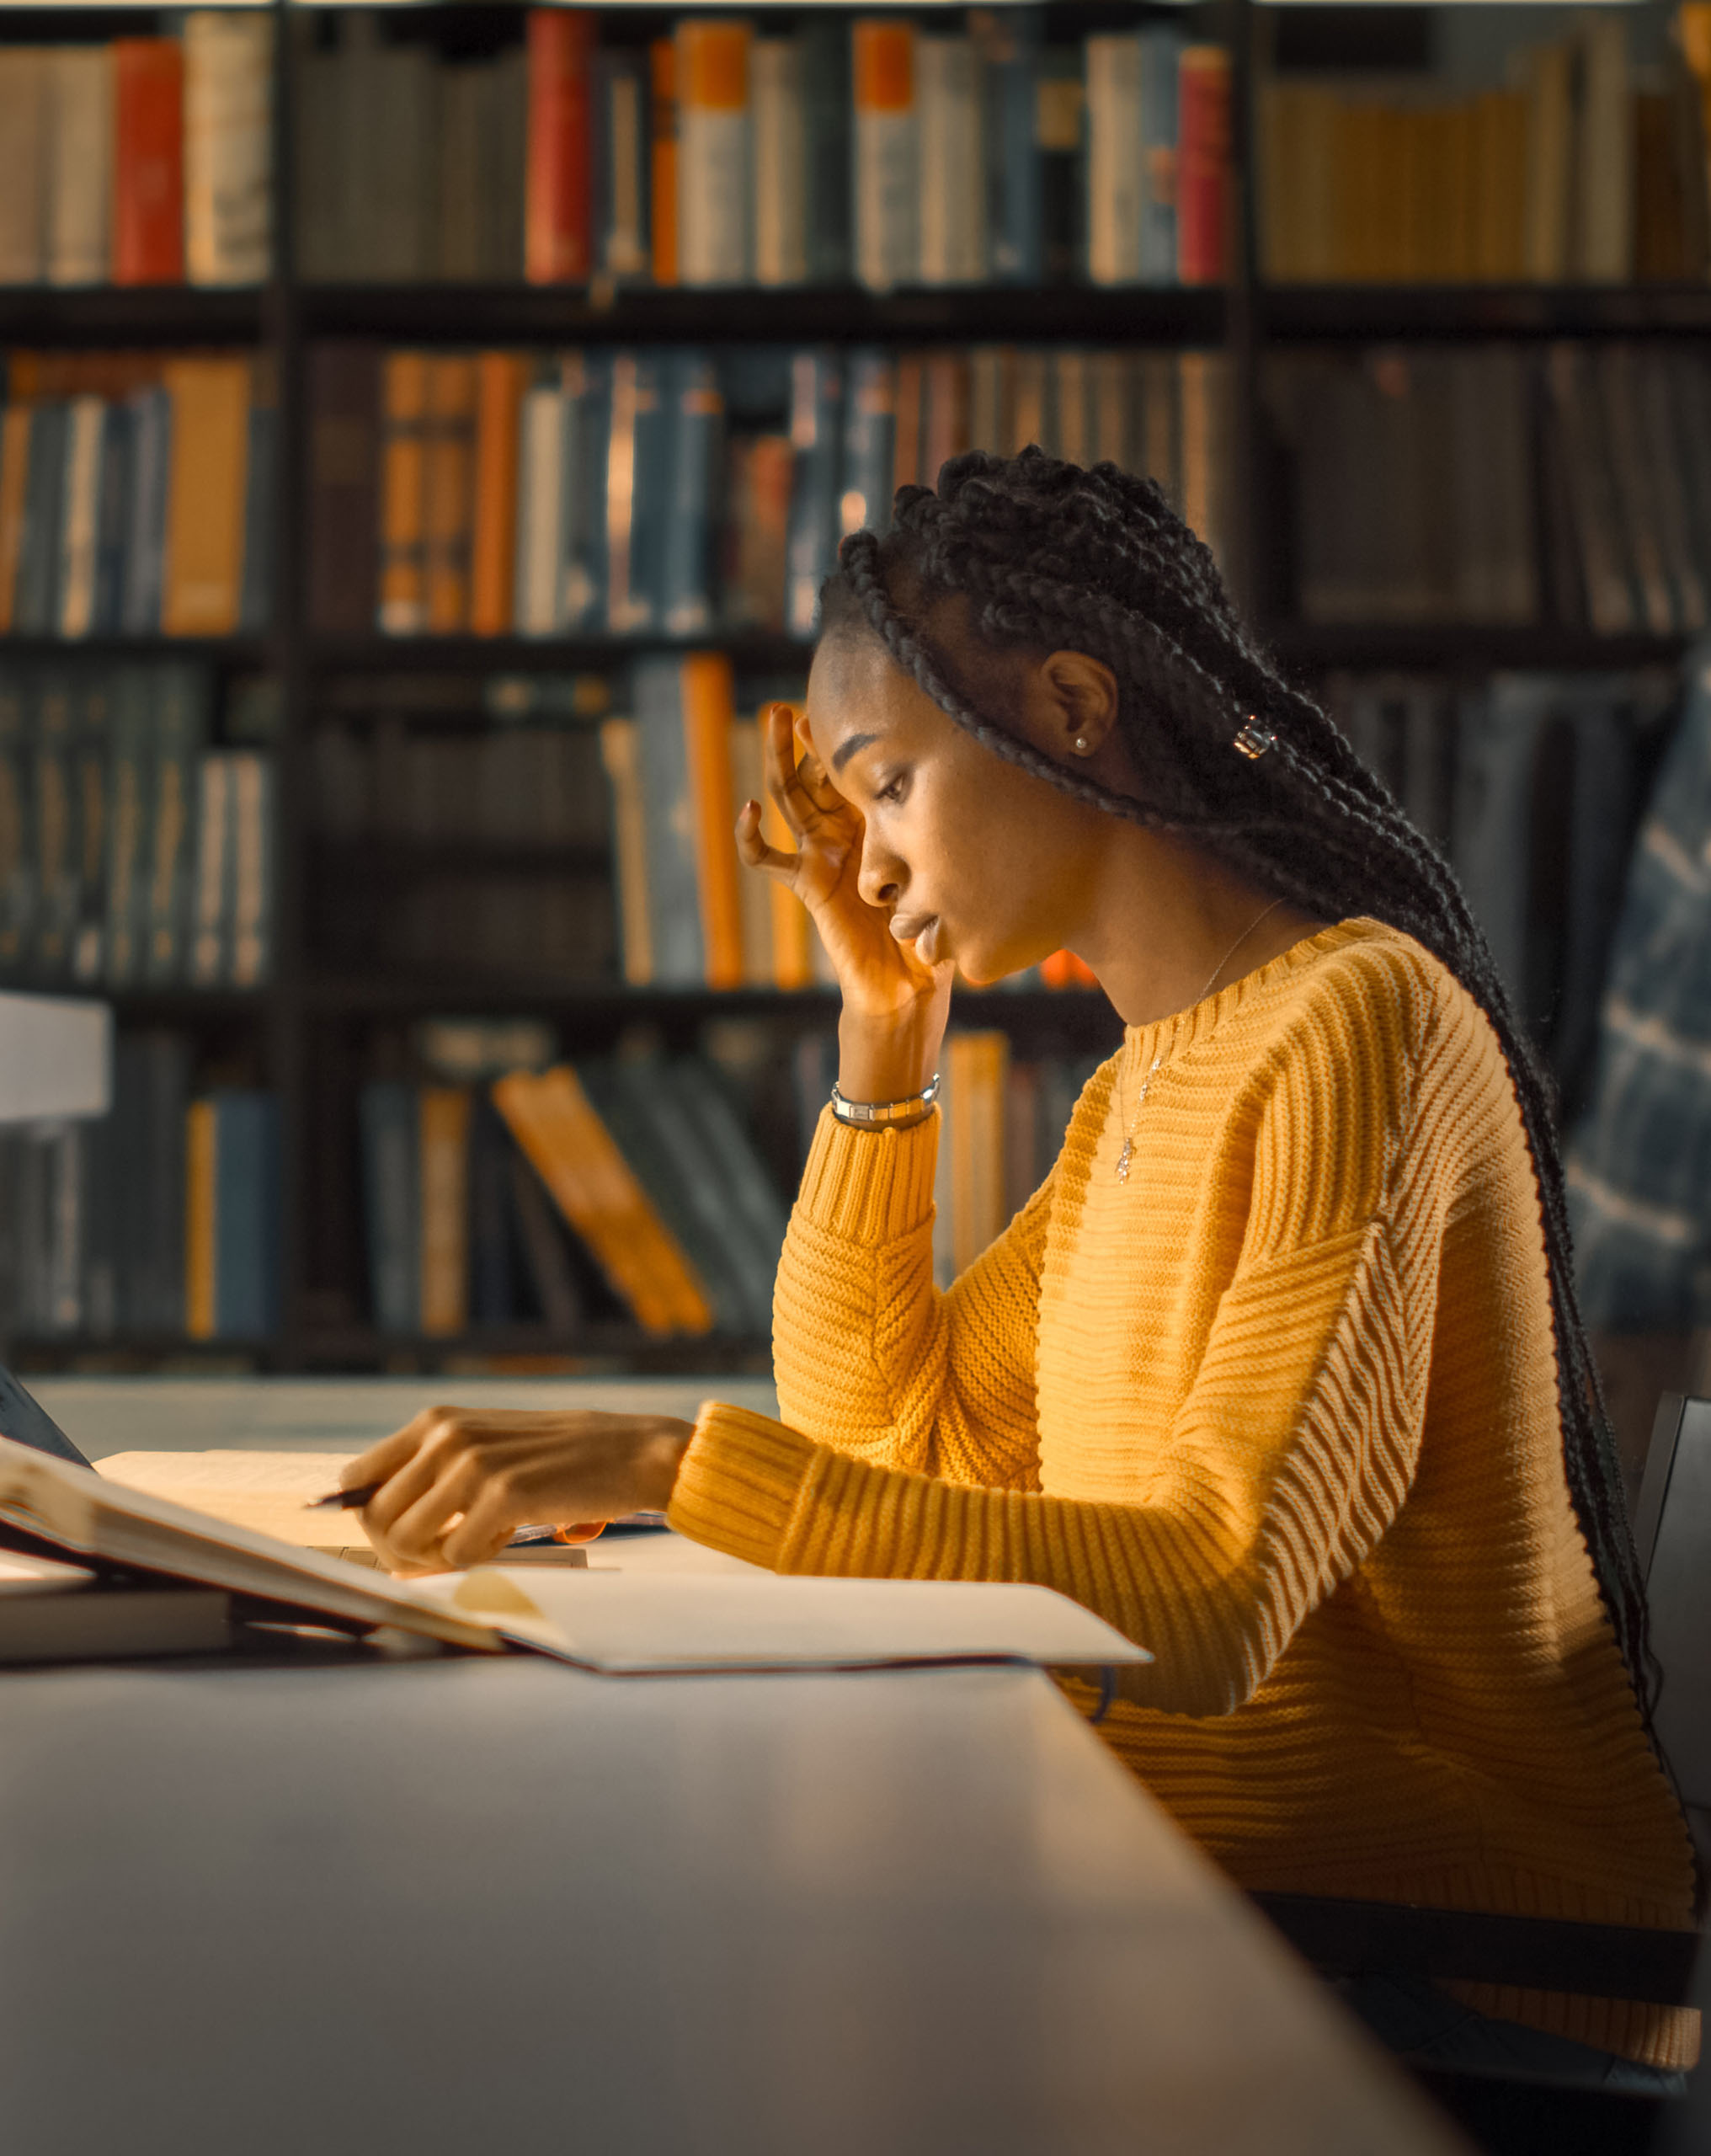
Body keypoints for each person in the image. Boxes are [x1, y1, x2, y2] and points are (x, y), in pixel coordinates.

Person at [340, 449, 1699, 2081]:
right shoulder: (1140, 1089)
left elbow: (1206, 1598)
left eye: (889, 783)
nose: (874, 860)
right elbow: (880, 1437)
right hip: (1252, 1905)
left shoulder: (1363, 1023)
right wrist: (886, 1030)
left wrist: (659, 1456)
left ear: (1070, 705)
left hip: (1469, 1966)